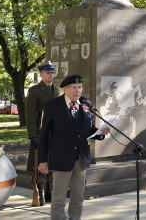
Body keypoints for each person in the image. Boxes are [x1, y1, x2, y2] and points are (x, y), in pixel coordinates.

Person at [37, 74, 109, 220]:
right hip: (61, 158)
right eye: (74, 88)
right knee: (58, 199)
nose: (78, 91)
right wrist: (42, 160)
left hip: (81, 159)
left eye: (80, 87)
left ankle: (75, 218)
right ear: (65, 89)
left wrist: (100, 133)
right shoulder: (53, 105)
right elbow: (43, 135)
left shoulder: (85, 105)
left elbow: (86, 131)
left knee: (78, 197)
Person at [25, 62, 61, 206]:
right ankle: (41, 192)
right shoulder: (34, 91)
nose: (50, 75)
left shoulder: (59, 90)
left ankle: (50, 190)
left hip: (56, 132)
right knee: (40, 162)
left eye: (52, 73)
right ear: (40, 74)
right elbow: (30, 114)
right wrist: (33, 135)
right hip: (41, 131)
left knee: (53, 161)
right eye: (47, 73)